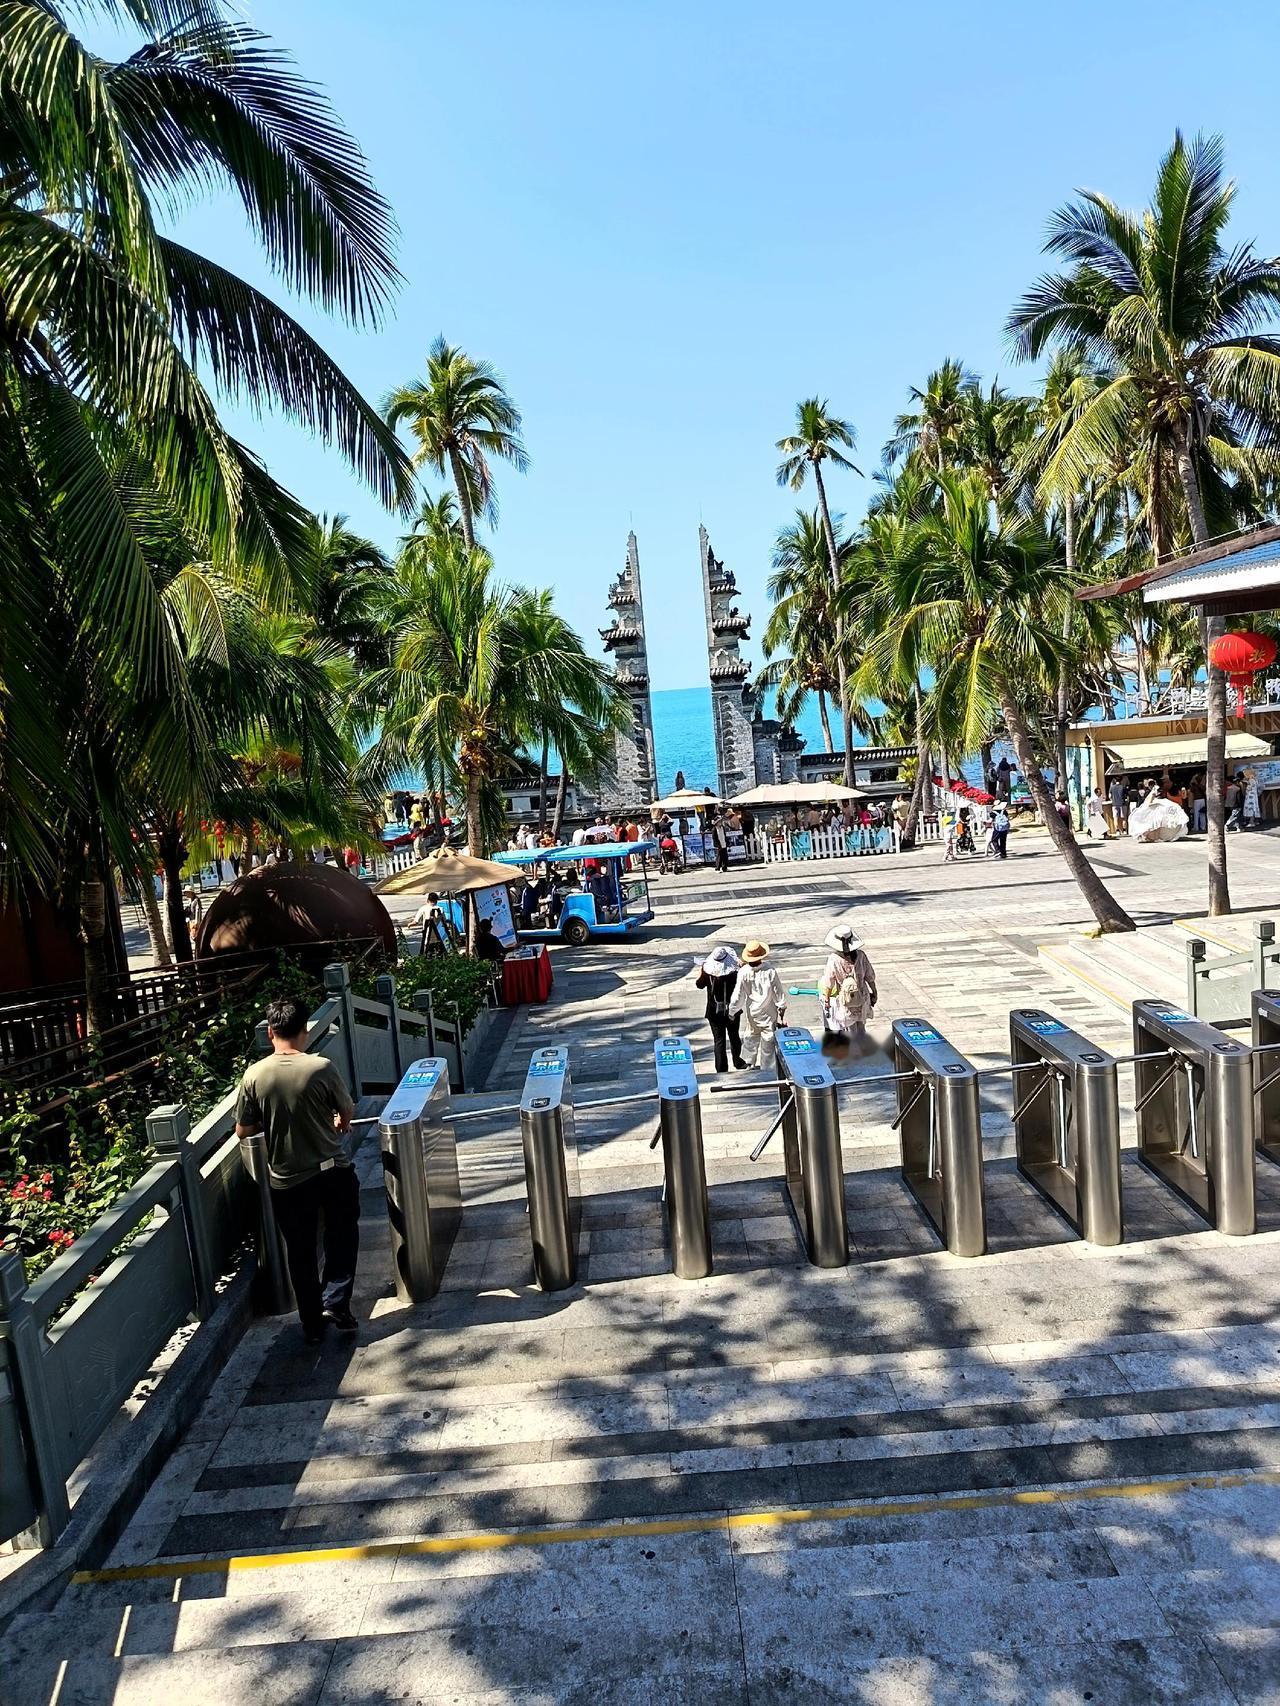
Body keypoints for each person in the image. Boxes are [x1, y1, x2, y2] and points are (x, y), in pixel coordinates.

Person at [234, 995, 357, 1343]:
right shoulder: (321, 1067)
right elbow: (346, 1111)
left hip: (286, 1180)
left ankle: (312, 1324)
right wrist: (338, 1121)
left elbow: (243, 1130)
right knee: (341, 1236)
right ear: (305, 1030)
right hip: (331, 1170)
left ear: (270, 1032)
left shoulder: (254, 1075)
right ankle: (336, 1303)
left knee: (300, 1252)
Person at [730, 941, 786, 1071]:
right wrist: (781, 1006)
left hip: (753, 1011)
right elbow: (777, 990)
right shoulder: (770, 970)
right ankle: (768, 1068)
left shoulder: (743, 972)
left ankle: (749, 1063)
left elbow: (738, 995)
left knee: (751, 1036)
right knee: (769, 1039)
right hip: (769, 1012)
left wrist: (732, 1010)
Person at [818, 925, 877, 1043]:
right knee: (861, 1028)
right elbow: (870, 977)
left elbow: (829, 983)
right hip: (862, 997)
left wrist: (827, 1001)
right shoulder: (861, 955)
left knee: (850, 1030)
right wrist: (874, 992)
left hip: (847, 1000)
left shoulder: (834, 959)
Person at [695, 945, 746, 1072]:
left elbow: (699, 985)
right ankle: (738, 1062)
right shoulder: (734, 973)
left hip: (714, 1011)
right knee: (734, 1036)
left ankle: (721, 1068)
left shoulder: (708, 974)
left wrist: (702, 970)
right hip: (732, 1009)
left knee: (719, 1040)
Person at [1107, 772, 1128, 837]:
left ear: (1115, 780)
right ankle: (1124, 830)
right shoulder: (1123, 787)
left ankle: (1117, 831)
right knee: (1123, 818)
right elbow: (1127, 796)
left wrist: (1113, 800)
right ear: (1121, 780)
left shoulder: (1112, 788)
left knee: (1115, 818)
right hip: (1122, 804)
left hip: (1114, 804)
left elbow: (1109, 796)